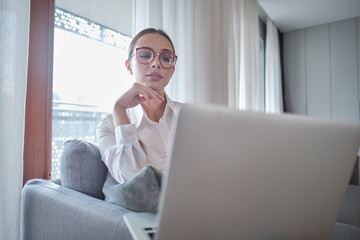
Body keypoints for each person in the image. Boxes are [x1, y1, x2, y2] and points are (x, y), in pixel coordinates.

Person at [96, 28, 181, 185]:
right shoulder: (108, 126)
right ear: (129, 66)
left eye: (166, 58)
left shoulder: (189, 116)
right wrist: (119, 108)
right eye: (145, 55)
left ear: (172, 70)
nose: (156, 63)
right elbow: (131, 178)